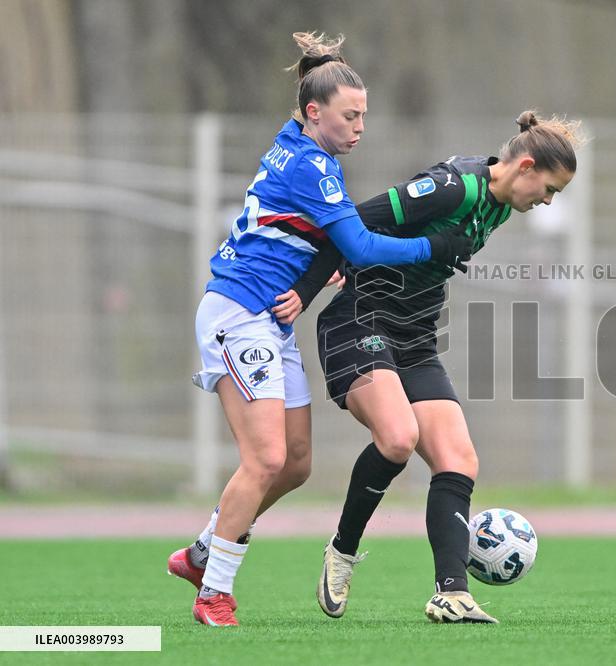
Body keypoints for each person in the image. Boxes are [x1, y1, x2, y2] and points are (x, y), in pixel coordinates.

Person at [166, 31, 473, 627]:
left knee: (297, 462)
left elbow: (326, 234)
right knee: (265, 457)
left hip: (268, 316)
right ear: (314, 113)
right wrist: (431, 246)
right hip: (239, 310)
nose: (360, 127)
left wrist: (309, 273)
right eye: (349, 115)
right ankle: (214, 592)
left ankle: (206, 550)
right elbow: (355, 241)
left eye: (364, 116)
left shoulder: (298, 145)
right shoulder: (312, 165)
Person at [287, 110, 585, 624]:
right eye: (550, 189)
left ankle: (452, 593)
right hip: (360, 321)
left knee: (458, 459)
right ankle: (342, 550)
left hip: (416, 337)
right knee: (398, 439)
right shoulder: (452, 189)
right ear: (527, 167)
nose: (548, 201)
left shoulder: (501, 206)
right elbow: (353, 219)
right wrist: (306, 291)